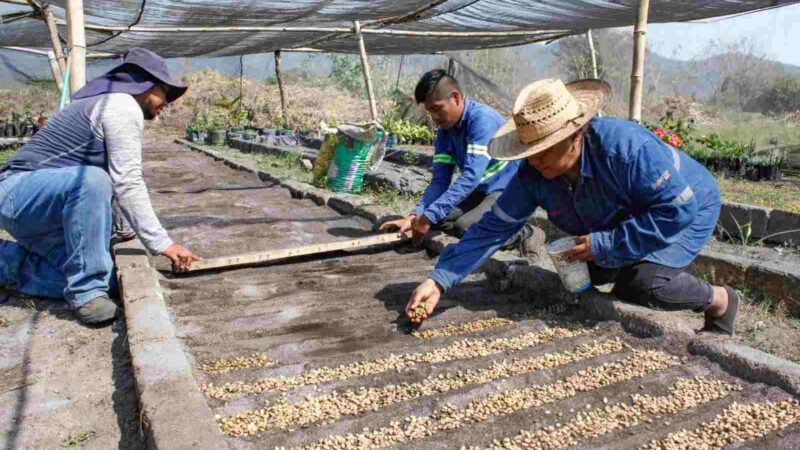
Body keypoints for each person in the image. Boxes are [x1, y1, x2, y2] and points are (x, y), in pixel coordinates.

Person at [405, 78, 738, 336]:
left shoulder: (625, 149)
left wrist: (607, 244)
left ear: (575, 135)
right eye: (528, 152)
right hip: (623, 215)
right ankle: (626, 257)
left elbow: (677, 209)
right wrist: (439, 280)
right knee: (577, 275)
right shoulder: (533, 173)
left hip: (686, 204)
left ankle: (721, 301)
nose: (534, 161)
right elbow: (493, 228)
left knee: (641, 284)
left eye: (544, 150)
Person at [0, 47, 200, 325]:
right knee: (92, 180)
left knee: (110, 280)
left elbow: (116, 182)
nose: (166, 102)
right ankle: (86, 294)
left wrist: (125, 232)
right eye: (165, 92)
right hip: (16, 192)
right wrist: (163, 243)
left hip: (42, 209)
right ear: (144, 85)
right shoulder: (121, 106)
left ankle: (6, 264)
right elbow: (125, 180)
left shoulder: (114, 105)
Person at [380, 70, 544, 255]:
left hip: (506, 188)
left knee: (465, 228)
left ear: (456, 97)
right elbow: (439, 180)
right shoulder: (445, 131)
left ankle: (527, 233)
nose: (434, 117)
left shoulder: (482, 121)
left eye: (437, 108)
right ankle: (485, 226)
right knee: (436, 218)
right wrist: (414, 217)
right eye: (429, 111)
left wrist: (427, 217)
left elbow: (470, 177)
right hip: (481, 189)